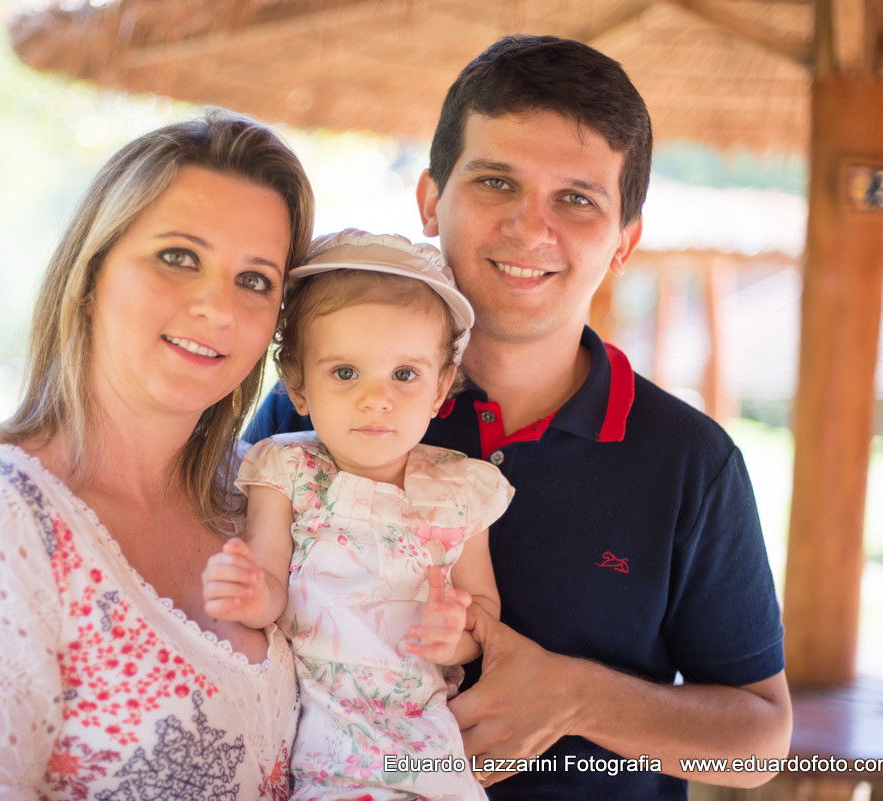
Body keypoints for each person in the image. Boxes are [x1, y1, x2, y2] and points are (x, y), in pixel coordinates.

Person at [246, 36, 792, 799]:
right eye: (496, 181)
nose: (531, 228)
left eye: (577, 199)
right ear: (430, 199)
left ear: (625, 240)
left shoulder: (690, 460)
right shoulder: (322, 412)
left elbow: (760, 741)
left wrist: (578, 696)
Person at [0, 111, 315, 800]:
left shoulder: (258, 492)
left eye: (255, 279)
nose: (218, 308)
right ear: (90, 276)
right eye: (179, 257)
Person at [203, 230, 514, 800]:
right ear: (298, 383)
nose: (377, 398)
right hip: (330, 740)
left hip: (430, 742)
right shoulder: (285, 470)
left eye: (405, 374)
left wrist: (457, 638)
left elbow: (484, 610)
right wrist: (249, 593)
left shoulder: (461, 488)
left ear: (441, 387)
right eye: (345, 372)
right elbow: (271, 582)